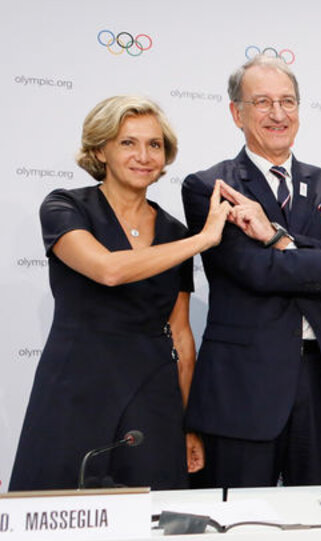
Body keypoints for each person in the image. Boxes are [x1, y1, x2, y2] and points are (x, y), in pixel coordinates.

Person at [181, 55, 321, 488]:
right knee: (237, 521)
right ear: (236, 113)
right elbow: (257, 269)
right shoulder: (211, 186)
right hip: (245, 383)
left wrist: (277, 236)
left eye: (288, 101)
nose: (278, 114)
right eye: (262, 102)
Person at [9, 95, 230, 491]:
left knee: (153, 520)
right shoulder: (66, 206)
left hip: (152, 393)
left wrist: (187, 424)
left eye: (154, 144)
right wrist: (204, 239)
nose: (144, 155)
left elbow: (181, 335)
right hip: (76, 385)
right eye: (128, 142)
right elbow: (109, 270)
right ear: (100, 149)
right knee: (57, 513)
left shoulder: (175, 233)